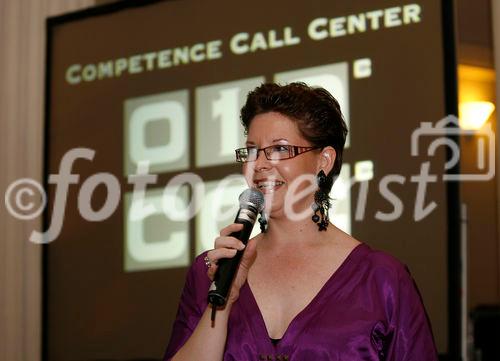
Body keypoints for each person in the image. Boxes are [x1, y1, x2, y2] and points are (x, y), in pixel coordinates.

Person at [163, 82, 438, 360]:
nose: (259, 164)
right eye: (252, 150)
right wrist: (222, 304)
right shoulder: (211, 271)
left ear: (324, 160)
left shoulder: (383, 280)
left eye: (280, 149)